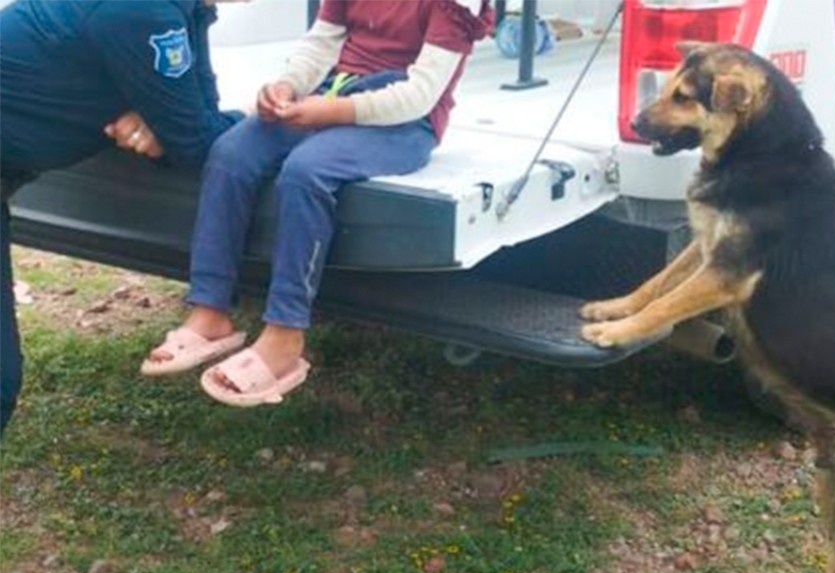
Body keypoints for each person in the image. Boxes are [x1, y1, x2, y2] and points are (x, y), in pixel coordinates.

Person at [141, 0, 494, 408]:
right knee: (231, 153)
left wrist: (336, 112)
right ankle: (210, 309)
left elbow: (420, 95)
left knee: (306, 171)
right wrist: (287, 87)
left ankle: (285, 333)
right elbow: (321, 46)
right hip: (333, 92)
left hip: (403, 125)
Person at [0, 0, 246, 435]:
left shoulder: (182, 7)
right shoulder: (142, 10)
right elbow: (198, 140)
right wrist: (262, 123)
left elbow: (198, 120)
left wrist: (165, 121)